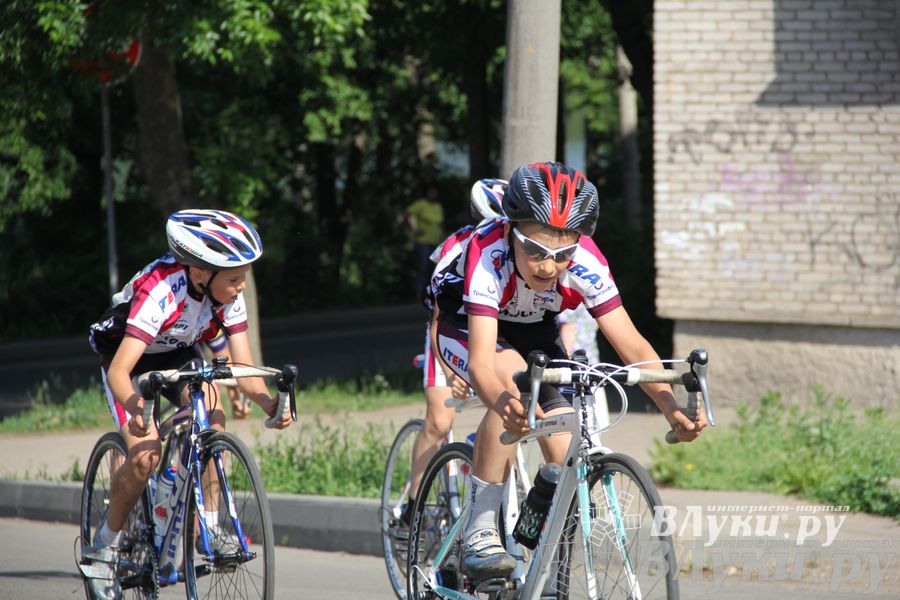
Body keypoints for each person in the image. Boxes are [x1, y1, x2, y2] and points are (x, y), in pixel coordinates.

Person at [430, 162, 708, 581]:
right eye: (535, 250)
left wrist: (671, 407)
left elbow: (631, 344)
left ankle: (533, 550)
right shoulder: (489, 254)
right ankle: (480, 531)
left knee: (563, 455)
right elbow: (483, 362)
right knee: (513, 387)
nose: (548, 266)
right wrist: (504, 403)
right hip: (464, 322)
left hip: (533, 328)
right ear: (511, 231)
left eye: (562, 254)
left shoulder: (586, 263)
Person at [81, 209, 293, 599]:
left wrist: (268, 402)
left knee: (211, 412)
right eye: (233, 278)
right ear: (199, 273)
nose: (240, 286)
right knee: (144, 456)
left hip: (175, 352)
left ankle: (209, 526)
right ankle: (105, 545)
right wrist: (138, 408)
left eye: (243, 276)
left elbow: (240, 366)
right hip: (125, 360)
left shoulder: (225, 293)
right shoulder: (160, 290)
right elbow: (120, 374)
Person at [402, 179, 508, 524]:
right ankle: (415, 509)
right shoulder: (457, 247)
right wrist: (451, 373)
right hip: (448, 331)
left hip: (494, 334)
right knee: (440, 419)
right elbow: (437, 315)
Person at [404, 184, 445, 299]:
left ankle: (432, 294)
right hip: (422, 241)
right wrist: (414, 228)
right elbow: (408, 214)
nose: (433, 194)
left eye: (434, 192)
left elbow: (440, 224)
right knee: (422, 268)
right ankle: (418, 294)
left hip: (435, 242)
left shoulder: (437, 206)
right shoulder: (421, 204)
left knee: (434, 269)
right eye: (431, 192)